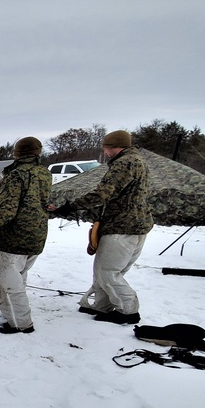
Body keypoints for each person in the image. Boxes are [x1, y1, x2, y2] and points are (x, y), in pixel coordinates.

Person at [48, 129, 152, 324]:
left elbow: (101, 194)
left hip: (122, 227)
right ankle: (103, 306)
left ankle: (128, 311)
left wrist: (68, 207)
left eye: (107, 148)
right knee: (105, 270)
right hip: (133, 225)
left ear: (116, 147)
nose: (105, 152)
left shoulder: (124, 163)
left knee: (108, 271)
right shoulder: (137, 161)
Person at [0, 137, 51, 334]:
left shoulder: (16, 175)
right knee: (18, 278)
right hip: (37, 236)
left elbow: (6, 209)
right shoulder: (44, 173)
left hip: (15, 238)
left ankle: (21, 324)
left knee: (8, 283)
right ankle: (13, 315)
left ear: (17, 153)